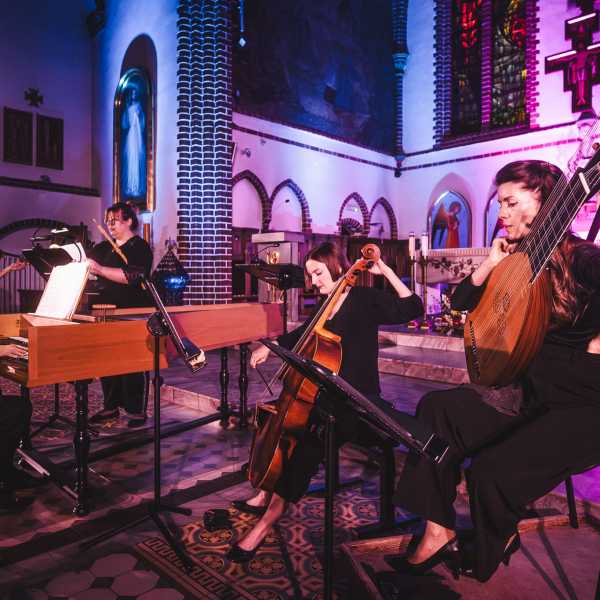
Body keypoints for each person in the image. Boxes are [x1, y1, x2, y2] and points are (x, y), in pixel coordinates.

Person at [392, 160, 600, 582]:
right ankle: (437, 528)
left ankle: (495, 540)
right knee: (436, 410)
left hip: (579, 397)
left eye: (511, 202)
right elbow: (462, 303)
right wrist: (490, 263)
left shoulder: (584, 259)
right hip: (526, 386)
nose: (501, 213)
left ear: (546, 202)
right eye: (500, 203)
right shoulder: (517, 260)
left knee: (490, 472)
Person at [226, 242, 424, 562]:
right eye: (310, 275)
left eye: (317, 273)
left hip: (358, 401)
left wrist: (384, 270)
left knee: (306, 441)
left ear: (336, 268)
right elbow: (303, 334)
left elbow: (413, 307)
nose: (313, 281)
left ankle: (264, 525)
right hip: (328, 395)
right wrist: (270, 346)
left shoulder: (363, 299)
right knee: (279, 419)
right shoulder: (326, 305)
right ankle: (265, 493)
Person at [87, 202, 153, 427]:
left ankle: (136, 411)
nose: (109, 225)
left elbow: (133, 276)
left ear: (129, 221)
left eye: (114, 220)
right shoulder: (103, 248)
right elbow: (89, 267)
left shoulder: (140, 247)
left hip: (132, 311)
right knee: (107, 361)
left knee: (132, 362)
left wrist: (100, 269)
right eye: (107, 221)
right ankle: (110, 407)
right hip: (104, 311)